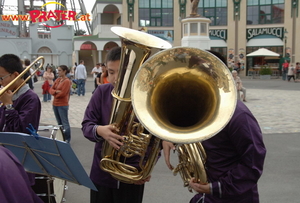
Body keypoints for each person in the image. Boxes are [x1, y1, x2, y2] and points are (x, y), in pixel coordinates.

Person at [163, 50, 266, 203]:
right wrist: (168, 137)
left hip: (233, 198)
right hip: (206, 197)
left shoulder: (239, 116)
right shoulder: (198, 108)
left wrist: (215, 187)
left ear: (219, 75)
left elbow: (252, 164)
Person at [81, 47, 151, 203]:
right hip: (102, 174)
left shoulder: (146, 99)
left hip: (131, 176)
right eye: (111, 72)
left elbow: (154, 139)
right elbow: (86, 125)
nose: (116, 78)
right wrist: (100, 130)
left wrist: (144, 168)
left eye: (122, 72)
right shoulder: (101, 92)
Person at [0, 54, 41, 187]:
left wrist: (8, 106)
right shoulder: (6, 94)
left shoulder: (31, 99)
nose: (0, 83)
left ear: (15, 74)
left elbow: (20, 131)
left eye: (1, 78)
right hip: (5, 160)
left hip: (21, 163)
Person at [49, 65, 72, 143]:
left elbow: (63, 93)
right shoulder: (58, 80)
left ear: (64, 71)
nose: (58, 72)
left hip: (62, 104)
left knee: (64, 122)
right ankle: (61, 137)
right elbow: (51, 89)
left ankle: (67, 138)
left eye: (59, 70)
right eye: (57, 70)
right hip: (55, 103)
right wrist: (55, 92)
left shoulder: (67, 81)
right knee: (59, 123)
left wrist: (55, 93)